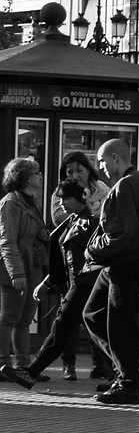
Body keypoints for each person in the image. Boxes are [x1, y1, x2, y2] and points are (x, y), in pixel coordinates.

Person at [81, 138, 139, 404]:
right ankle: (126, 372)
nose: (100, 167)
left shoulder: (126, 186)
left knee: (120, 324)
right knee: (93, 313)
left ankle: (129, 383)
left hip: (123, 263)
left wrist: (91, 252)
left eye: (102, 160)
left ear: (116, 158)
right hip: (130, 262)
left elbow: (121, 235)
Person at [23, 180, 111, 386]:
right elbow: (63, 261)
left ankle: (124, 376)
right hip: (78, 285)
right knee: (91, 334)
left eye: (66, 198)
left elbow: (98, 254)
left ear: (81, 198)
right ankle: (123, 376)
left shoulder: (90, 222)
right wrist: (48, 282)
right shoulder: (72, 221)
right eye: (59, 198)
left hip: (85, 285)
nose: (61, 203)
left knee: (64, 332)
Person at [0, 157, 49, 388]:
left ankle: (23, 367)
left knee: (24, 320)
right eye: (37, 172)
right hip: (17, 271)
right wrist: (16, 273)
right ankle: (2, 364)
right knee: (8, 318)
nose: (40, 176)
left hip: (33, 268)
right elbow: (7, 241)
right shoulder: (11, 203)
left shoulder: (29, 202)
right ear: (26, 177)